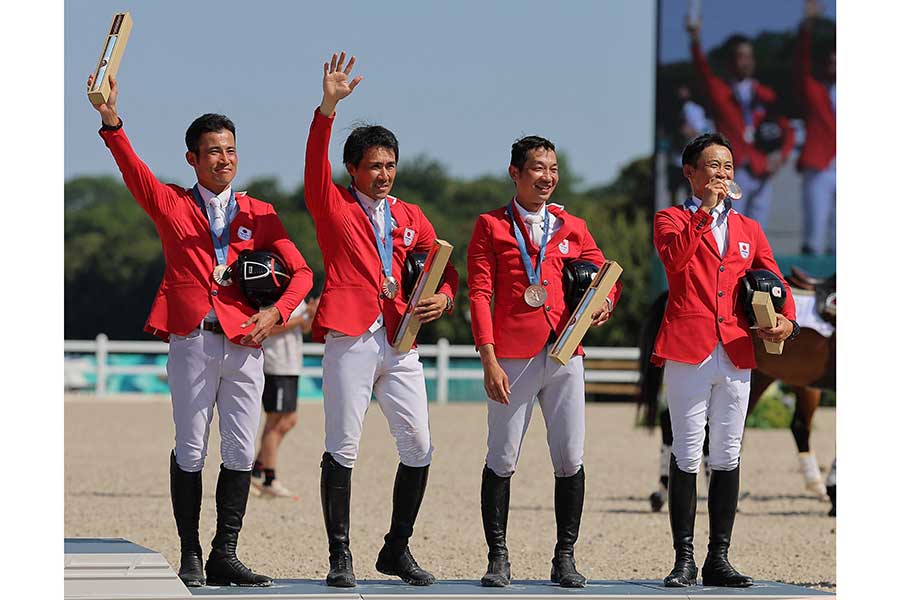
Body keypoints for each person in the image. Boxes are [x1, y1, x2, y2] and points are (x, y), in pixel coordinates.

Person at [88, 74, 313, 588]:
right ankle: (190, 552)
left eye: (230, 150)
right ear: (192, 158)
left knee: (237, 451)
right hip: (191, 339)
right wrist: (111, 122)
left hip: (245, 344)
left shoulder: (260, 213)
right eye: (212, 152)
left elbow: (302, 273)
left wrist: (276, 313)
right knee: (191, 448)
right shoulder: (170, 204)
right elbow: (133, 171)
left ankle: (224, 555)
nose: (224, 160)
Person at [303, 52, 460, 588]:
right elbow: (312, 164)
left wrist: (444, 298)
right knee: (342, 445)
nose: (384, 174)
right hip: (350, 335)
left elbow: (443, 269)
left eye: (390, 165)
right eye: (374, 166)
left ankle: (395, 548)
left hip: (402, 339)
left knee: (419, 445)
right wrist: (327, 108)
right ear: (353, 169)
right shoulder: (332, 205)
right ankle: (340, 555)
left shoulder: (410, 214)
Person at [467, 136, 622, 588]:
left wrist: (606, 303)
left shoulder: (572, 224)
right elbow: (479, 293)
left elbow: (604, 274)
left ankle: (565, 557)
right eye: (537, 168)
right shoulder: (490, 225)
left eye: (552, 168)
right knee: (502, 457)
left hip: (566, 351)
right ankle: (498, 557)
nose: (546, 176)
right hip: (512, 356)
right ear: (515, 173)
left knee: (570, 457)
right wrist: (488, 357)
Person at [652, 132, 799, 588]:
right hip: (688, 348)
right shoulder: (670, 218)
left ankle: (718, 558)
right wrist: (701, 215)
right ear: (691, 173)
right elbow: (675, 264)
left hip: (736, 350)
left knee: (729, 454)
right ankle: (683, 558)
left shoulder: (749, 230)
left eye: (728, 167)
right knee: (687, 452)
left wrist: (787, 322)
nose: (723, 174)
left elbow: (774, 279)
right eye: (713, 166)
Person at [687, 19, 795, 229]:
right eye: (740, 56)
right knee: (728, 230)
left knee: (755, 233)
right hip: (733, 172)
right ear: (730, 62)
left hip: (762, 169)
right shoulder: (722, 92)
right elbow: (703, 71)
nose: (746, 62)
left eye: (749, 57)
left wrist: (781, 157)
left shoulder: (765, 95)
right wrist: (695, 40)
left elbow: (787, 130)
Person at [251, 296, 319, 499]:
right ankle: (269, 479)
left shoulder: (296, 294)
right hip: (275, 365)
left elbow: (304, 328)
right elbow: (268, 328)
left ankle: (255, 469)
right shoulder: (271, 295)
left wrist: (311, 314)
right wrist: (301, 317)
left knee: (289, 420)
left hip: (291, 365)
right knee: (274, 422)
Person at [796, 0, 836, 255]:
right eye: (832, 62)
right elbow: (801, 64)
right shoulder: (816, 91)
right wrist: (807, 27)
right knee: (815, 229)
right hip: (820, 167)